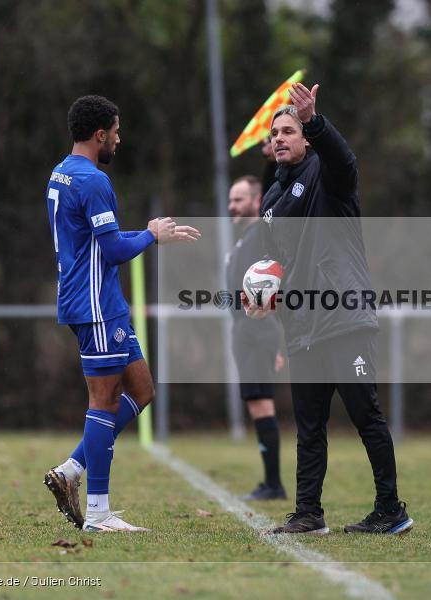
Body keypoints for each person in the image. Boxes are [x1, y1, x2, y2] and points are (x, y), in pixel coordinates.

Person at [246, 82, 412, 535]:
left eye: (289, 130)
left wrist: (316, 121)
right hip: (302, 327)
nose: (280, 137)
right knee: (309, 426)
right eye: (276, 132)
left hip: (344, 320)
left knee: (365, 415)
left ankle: (390, 509)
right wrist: (260, 294)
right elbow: (275, 264)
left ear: (305, 139)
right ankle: (308, 513)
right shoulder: (271, 201)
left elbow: (345, 160)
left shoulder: (327, 175)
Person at [43, 95, 200, 532]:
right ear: (99, 135)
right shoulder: (94, 181)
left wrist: (152, 233)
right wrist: (151, 236)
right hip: (94, 305)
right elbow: (112, 250)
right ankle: (98, 513)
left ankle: (71, 471)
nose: (118, 137)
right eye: (115, 130)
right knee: (104, 401)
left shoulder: (61, 173)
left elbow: (98, 241)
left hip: (97, 301)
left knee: (143, 390)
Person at [226, 175, 287, 501]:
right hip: (246, 330)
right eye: (231, 199)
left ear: (256, 199)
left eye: (239, 199)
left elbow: (271, 288)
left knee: (262, 405)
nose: (232, 205)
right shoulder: (244, 239)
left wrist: (273, 338)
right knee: (256, 404)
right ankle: (271, 482)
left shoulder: (262, 234)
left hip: (256, 330)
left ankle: (274, 484)